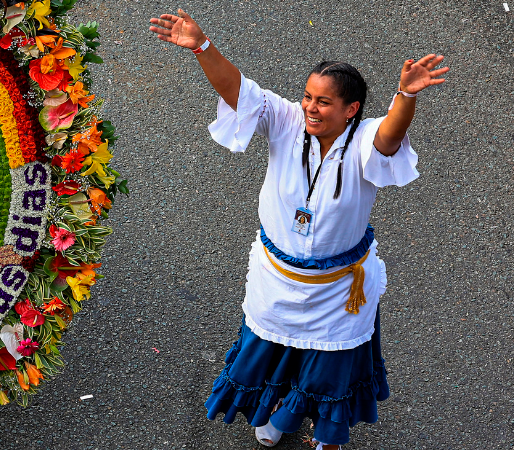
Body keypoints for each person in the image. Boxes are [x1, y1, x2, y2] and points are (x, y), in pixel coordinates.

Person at [149, 9, 448, 450]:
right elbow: (237, 90)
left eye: (323, 102)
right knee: (269, 354)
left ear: (351, 109)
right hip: (278, 280)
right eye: (308, 96)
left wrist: (405, 94)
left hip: (338, 289)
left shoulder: (363, 139)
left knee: (329, 367)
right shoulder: (285, 119)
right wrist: (202, 46)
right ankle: (276, 415)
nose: (310, 107)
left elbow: (389, 137)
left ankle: (327, 433)